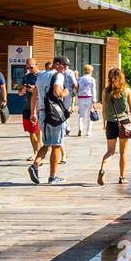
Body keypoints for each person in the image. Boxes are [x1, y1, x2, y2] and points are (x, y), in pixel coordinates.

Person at [29, 56, 72, 184]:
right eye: (64, 65)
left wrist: (33, 113)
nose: (66, 68)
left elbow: (34, 95)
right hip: (54, 114)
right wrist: (66, 92)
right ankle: (52, 177)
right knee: (56, 145)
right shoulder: (58, 76)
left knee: (47, 143)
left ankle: (35, 165)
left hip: (42, 113)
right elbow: (57, 92)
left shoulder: (41, 75)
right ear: (57, 64)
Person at [98, 67, 131, 186]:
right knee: (123, 152)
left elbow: (104, 110)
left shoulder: (105, 91)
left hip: (110, 123)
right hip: (124, 123)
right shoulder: (126, 91)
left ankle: (102, 168)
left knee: (110, 151)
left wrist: (104, 123)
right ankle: (122, 177)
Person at [18, 58, 40, 158]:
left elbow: (41, 92)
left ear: (36, 65)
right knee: (31, 131)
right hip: (27, 107)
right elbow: (20, 92)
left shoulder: (41, 76)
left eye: (31, 67)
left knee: (38, 130)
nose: (29, 69)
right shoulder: (26, 77)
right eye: (27, 67)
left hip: (38, 107)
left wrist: (32, 90)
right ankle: (35, 152)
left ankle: (40, 152)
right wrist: (23, 89)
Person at [75, 64, 97, 137]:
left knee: (81, 115)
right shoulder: (92, 79)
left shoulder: (80, 79)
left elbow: (77, 89)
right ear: (90, 71)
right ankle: (88, 132)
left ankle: (80, 128)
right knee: (90, 115)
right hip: (89, 97)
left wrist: (77, 99)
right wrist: (94, 100)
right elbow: (93, 90)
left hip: (81, 97)